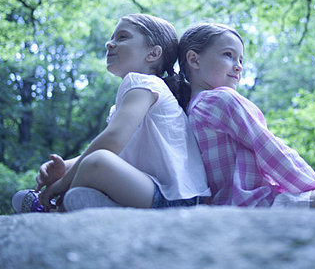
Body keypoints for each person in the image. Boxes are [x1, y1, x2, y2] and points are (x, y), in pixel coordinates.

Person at [178, 23, 315, 215]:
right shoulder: (221, 99)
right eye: (228, 55)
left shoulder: (192, 111)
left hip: (231, 206)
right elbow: (270, 150)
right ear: (194, 59)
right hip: (256, 207)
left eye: (241, 60)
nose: (238, 66)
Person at [12, 14, 209, 212]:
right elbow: (116, 150)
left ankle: (53, 205)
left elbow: (112, 141)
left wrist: (61, 184)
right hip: (153, 192)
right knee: (93, 165)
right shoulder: (127, 101)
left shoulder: (144, 83)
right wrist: (65, 166)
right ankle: (87, 203)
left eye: (122, 37)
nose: (109, 43)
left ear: (153, 53)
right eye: (112, 37)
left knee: (97, 162)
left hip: (172, 197)